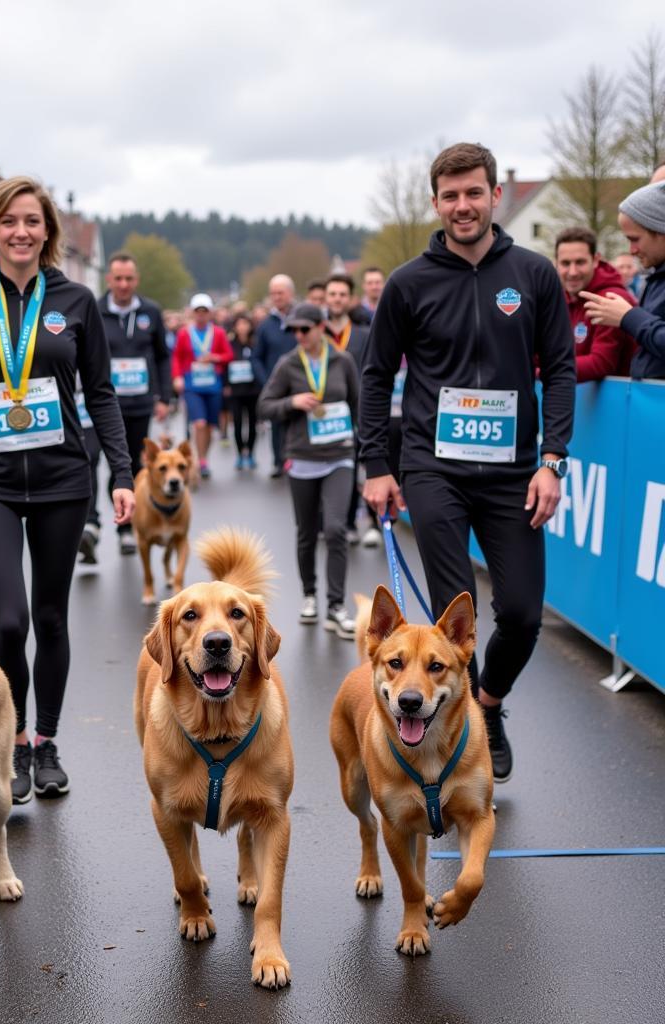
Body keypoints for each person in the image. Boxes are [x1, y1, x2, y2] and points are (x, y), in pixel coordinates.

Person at [360, 142, 575, 783]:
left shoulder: (534, 276)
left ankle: (489, 703)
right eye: (450, 196)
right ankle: (465, 742)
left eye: (474, 193)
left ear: (494, 197)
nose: (463, 206)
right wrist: (378, 463)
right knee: (459, 613)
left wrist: (553, 459)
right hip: (433, 469)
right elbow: (376, 376)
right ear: (436, 203)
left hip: (514, 473)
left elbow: (560, 369)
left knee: (521, 613)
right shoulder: (408, 283)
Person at [0, 176, 135, 805]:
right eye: (10, 221)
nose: (22, 231)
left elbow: (100, 392)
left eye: (33, 221)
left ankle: (45, 742)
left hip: (62, 478)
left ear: (48, 232)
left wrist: (122, 473)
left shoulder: (75, 301)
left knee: (50, 616)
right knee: (10, 621)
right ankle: (10, 741)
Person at [257, 302, 358, 638]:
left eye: (305, 329)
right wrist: (292, 403)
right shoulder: (288, 365)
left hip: (340, 455)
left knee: (335, 529)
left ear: (321, 326)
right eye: (294, 331)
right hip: (302, 457)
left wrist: (370, 456)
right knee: (306, 531)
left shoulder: (342, 361)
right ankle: (310, 595)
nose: (299, 336)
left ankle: (336, 606)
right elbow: (264, 406)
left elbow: (359, 406)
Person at [83, 251, 170, 559]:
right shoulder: (92, 309)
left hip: (138, 404)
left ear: (137, 280)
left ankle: (125, 528)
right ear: (108, 279)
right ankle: (90, 525)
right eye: (117, 278)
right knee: (89, 458)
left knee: (129, 466)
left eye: (129, 279)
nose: (123, 284)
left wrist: (165, 396)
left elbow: (162, 355)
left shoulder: (151, 311)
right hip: (96, 404)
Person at [582, 180, 665, 381]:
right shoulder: (655, 277)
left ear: (661, 232)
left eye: (635, 239)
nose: (631, 250)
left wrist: (629, 317)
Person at [323, 273, 378, 547]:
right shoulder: (315, 333)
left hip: (355, 412)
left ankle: (364, 523)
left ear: (350, 298)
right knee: (332, 468)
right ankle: (337, 521)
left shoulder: (363, 335)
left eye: (342, 294)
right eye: (332, 294)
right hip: (324, 418)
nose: (337, 299)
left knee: (358, 465)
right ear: (325, 298)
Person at [554, 227, 633, 383]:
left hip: (616, 404)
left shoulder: (612, 300)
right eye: (565, 263)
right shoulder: (558, 298)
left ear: (596, 260)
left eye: (580, 262)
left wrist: (544, 371)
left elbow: (601, 363)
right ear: (556, 263)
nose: (572, 271)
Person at [171, 293, 232, 479]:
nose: (201, 315)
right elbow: (177, 357)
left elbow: (228, 355)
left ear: (210, 313)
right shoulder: (184, 333)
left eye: (204, 311)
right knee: (199, 423)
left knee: (211, 426)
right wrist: (177, 377)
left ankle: (204, 456)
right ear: (192, 313)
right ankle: (200, 461)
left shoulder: (218, 333)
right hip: (192, 385)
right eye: (198, 311)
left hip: (213, 385)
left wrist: (215, 358)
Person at [252, 274, 297, 477]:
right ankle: (279, 461)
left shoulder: (301, 320)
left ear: (291, 293)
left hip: (300, 383)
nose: (277, 297)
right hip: (275, 384)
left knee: (297, 423)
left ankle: (295, 459)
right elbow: (256, 357)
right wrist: (265, 382)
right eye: (273, 294)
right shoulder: (265, 326)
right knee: (277, 424)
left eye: (280, 293)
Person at [226, 312, 261, 469]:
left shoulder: (256, 344)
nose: (242, 327)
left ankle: (251, 453)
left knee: (253, 423)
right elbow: (225, 364)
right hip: (236, 391)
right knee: (238, 423)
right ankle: (240, 454)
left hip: (253, 390)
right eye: (239, 324)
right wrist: (226, 385)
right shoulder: (230, 344)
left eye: (245, 324)